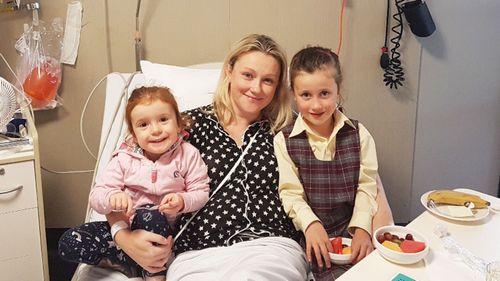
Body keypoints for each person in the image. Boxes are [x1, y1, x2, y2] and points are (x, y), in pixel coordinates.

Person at [107, 34, 310, 281]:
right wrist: (122, 235)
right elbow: (119, 176)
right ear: (229, 71)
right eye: (248, 75)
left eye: (268, 80)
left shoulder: (288, 130)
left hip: (272, 246)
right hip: (198, 250)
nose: (256, 88)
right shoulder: (186, 125)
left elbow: (349, 168)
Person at [58, 86, 210, 281]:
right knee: (69, 242)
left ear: (178, 123)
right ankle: (129, 262)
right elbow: (97, 196)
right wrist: (113, 198)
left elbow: (201, 192)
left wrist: (182, 201)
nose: (155, 130)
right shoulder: (124, 159)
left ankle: (154, 271)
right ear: (133, 133)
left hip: (169, 233)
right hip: (129, 233)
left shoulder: (187, 154)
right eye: (143, 124)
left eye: (163, 120)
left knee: (150, 215)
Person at [274, 46, 379, 280]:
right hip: (311, 236)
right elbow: (291, 193)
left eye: (324, 93)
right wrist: (311, 225)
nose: (316, 105)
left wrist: (362, 228)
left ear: (339, 91)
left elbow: (367, 186)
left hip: (353, 232)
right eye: (306, 95)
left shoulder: (359, 134)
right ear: (293, 94)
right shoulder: (284, 141)